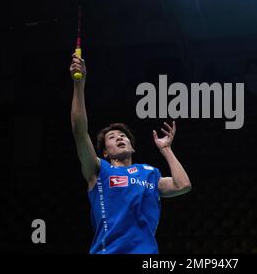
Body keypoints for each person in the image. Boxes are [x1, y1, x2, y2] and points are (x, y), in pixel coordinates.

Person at [69, 53, 192, 254]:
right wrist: (79, 84)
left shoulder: (149, 173)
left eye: (123, 136)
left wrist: (167, 150)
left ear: (132, 146)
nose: (120, 138)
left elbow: (183, 185)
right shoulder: (99, 170)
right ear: (105, 153)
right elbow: (79, 131)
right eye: (112, 138)